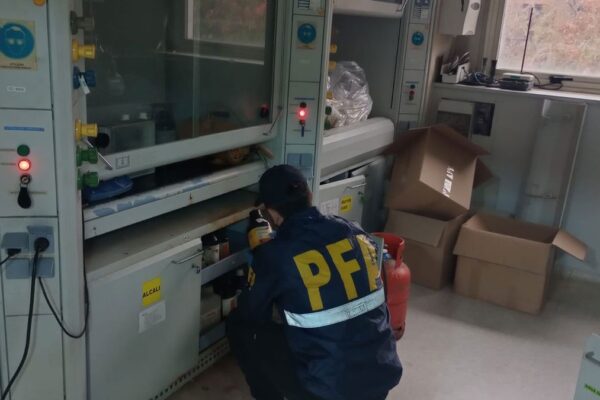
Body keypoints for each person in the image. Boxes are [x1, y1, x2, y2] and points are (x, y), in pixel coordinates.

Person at [226, 165, 402, 400]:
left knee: (239, 326)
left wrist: (261, 257)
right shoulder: (354, 231)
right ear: (309, 195)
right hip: (380, 375)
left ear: (272, 213)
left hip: (329, 391)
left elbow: (251, 312)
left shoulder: (275, 255)